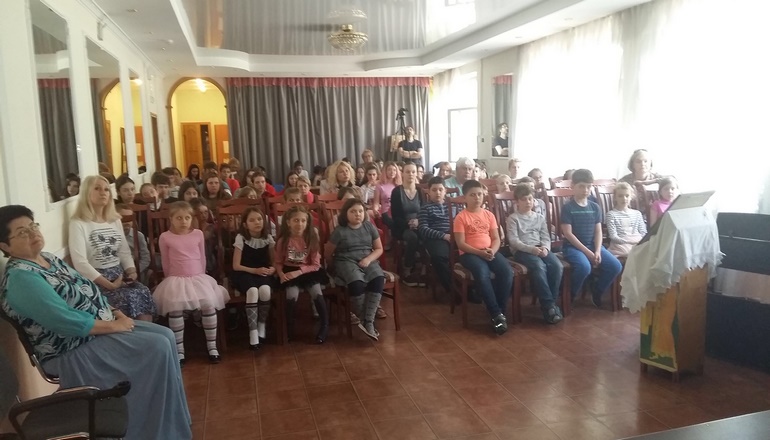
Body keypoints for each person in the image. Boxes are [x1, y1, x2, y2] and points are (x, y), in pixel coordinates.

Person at [0, 205, 192, 439]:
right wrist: (115, 326)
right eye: (22, 232)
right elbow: (65, 321)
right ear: (5, 246)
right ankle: (147, 432)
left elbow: (89, 291)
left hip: (98, 328)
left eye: (33, 226)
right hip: (71, 348)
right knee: (157, 348)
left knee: (166, 336)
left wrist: (116, 313)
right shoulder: (21, 278)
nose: (32, 233)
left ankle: (172, 425)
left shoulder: (48, 258)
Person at [68, 176, 155, 321]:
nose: (103, 192)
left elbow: (123, 251)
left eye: (106, 189)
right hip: (97, 280)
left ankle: (148, 334)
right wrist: (108, 284)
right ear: (87, 192)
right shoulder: (78, 222)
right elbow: (80, 262)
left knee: (143, 291)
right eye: (97, 188)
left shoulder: (114, 219)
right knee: (129, 296)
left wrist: (131, 271)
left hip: (118, 275)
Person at [152, 202, 228, 365]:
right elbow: (165, 262)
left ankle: (212, 347)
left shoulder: (198, 234)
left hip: (198, 277)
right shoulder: (165, 237)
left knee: (208, 305)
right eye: (179, 218)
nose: (183, 221)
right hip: (176, 279)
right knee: (175, 309)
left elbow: (202, 257)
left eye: (187, 217)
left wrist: (201, 276)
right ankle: (179, 350)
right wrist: (170, 281)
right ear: (171, 219)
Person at [453, 179, 514, 335]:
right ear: (465, 197)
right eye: (472, 195)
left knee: (507, 271)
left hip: (490, 251)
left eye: (479, 194)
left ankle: (500, 312)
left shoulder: (489, 215)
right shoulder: (461, 217)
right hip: (469, 254)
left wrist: (492, 251)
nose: (477, 198)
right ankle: (496, 313)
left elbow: (496, 238)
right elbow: (460, 244)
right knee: (482, 273)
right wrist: (479, 252)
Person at [560, 169, 622, 307]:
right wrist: (588, 252)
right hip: (573, 247)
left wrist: (598, 251)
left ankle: (597, 290)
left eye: (589, 186)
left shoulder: (595, 207)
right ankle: (569, 294)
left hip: (593, 246)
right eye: (581, 186)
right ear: (573, 186)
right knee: (584, 267)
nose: (585, 190)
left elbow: (598, 231)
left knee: (615, 266)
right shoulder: (568, 208)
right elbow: (568, 234)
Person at [506, 184, 564, 324]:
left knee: (557, 266)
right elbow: (514, 241)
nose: (528, 202)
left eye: (530, 199)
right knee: (539, 266)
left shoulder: (539, 217)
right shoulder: (513, 218)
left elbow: (545, 236)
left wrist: (546, 248)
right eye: (524, 199)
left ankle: (551, 304)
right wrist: (531, 249)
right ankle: (549, 307)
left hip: (540, 248)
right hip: (522, 251)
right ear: (517, 202)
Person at [329, 198, 385, 340]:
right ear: (345, 214)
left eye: (360, 211)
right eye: (353, 211)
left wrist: (368, 259)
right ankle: (364, 319)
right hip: (345, 260)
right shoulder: (339, 231)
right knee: (356, 282)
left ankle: (368, 321)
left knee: (378, 278)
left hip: (367, 258)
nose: (357, 214)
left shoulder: (369, 227)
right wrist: (332, 268)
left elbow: (379, 249)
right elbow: (328, 252)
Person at [275, 206, 328, 343]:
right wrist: (281, 274)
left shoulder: (311, 238)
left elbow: (315, 264)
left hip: (308, 271)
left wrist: (298, 272)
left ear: (307, 222)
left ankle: (324, 325)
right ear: (288, 222)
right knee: (291, 295)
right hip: (289, 270)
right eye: (296, 220)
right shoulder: (283, 241)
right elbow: (278, 262)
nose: (300, 224)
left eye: (303, 221)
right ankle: (289, 327)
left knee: (316, 292)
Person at [230, 206, 275, 348]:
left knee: (265, 291)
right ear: (245, 224)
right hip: (245, 272)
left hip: (261, 272)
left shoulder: (268, 238)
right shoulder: (241, 238)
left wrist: (273, 269)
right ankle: (253, 332)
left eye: (259, 219)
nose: (257, 222)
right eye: (252, 220)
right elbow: (236, 265)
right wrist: (254, 271)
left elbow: (274, 261)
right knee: (253, 291)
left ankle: (261, 325)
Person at [417, 176, 452, 295]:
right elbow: (423, 229)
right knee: (439, 258)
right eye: (434, 190)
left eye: (440, 189)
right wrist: (443, 236)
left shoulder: (453, 205)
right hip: (436, 238)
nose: (438, 193)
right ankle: (452, 290)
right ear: (429, 191)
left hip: (454, 236)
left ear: (445, 191)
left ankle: (469, 288)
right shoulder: (425, 208)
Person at [391, 163, 423, 287]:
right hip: (402, 226)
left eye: (413, 172)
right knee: (412, 237)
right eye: (408, 172)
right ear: (402, 173)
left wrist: (418, 221)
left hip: (419, 223)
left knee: (427, 234)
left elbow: (424, 211)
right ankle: (407, 269)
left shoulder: (420, 191)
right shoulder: (396, 192)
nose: (411, 174)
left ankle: (424, 268)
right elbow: (395, 216)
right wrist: (408, 223)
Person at [606, 182, 647, 257]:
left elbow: (643, 232)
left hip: (637, 241)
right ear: (615, 198)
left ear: (631, 197)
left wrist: (639, 241)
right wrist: (629, 241)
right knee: (629, 252)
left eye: (627, 196)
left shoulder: (637, 213)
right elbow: (613, 236)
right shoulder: (611, 214)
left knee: (648, 250)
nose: (624, 199)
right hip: (621, 244)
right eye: (620, 196)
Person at [116, 203, 151, 285]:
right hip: (118, 269)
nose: (127, 222)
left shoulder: (139, 236)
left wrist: (136, 269)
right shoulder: (112, 236)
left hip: (136, 267)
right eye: (123, 219)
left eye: (130, 219)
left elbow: (146, 257)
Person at [372, 161, 400, 230]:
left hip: (398, 212)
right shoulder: (379, 186)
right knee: (394, 223)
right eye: (389, 170)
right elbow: (376, 203)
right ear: (385, 171)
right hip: (386, 212)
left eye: (394, 170)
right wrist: (375, 210)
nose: (392, 172)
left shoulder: (399, 186)